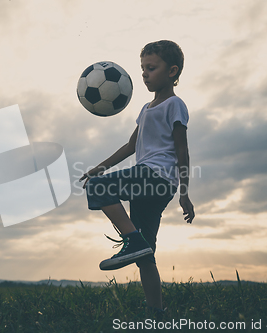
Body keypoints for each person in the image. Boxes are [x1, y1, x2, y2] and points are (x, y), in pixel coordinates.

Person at [79, 40, 195, 312]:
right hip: (151, 183)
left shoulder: (175, 105)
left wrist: (185, 191)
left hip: (156, 176)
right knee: (146, 254)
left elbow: (182, 149)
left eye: (151, 68)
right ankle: (157, 313)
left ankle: (131, 240)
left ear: (172, 71)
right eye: (142, 68)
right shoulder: (145, 109)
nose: (144, 73)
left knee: (97, 188)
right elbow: (132, 146)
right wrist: (102, 166)